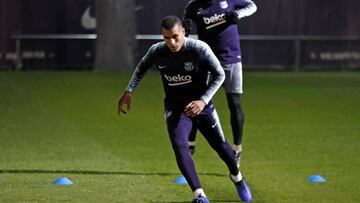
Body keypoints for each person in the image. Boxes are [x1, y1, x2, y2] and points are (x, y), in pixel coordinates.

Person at [118, 16, 252, 203]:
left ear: (183, 32)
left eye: (175, 37)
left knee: (221, 147)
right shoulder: (157, 51)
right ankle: (200, 195)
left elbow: (220, 75)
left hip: (203, 108)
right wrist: (129, 91)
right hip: (176, 108)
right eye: (166, 38)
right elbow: (141, 68)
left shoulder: (199, 48)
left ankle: (237, 177)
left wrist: (203, 101)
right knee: (180, 146)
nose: (171, 42)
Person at [183, 0, 257, 168]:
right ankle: (190, 145)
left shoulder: (229, 1)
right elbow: (185, 24)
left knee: (235, 104)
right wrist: (185, 26)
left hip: (231, 60)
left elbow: (252, 5)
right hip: (207, 61)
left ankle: (237, 149)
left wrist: (238, 14)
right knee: (197, 101)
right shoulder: (194, 6)